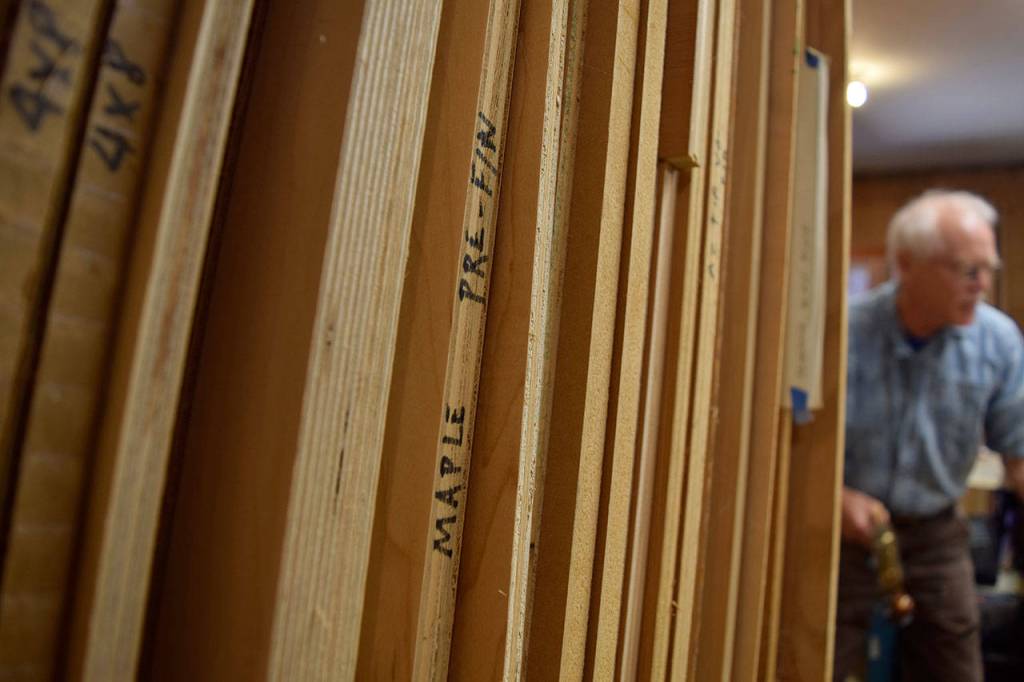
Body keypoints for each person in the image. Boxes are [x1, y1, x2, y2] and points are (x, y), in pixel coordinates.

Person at [835, 190, 1024, 682]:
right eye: (966, 270)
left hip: (936, 534)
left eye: (989, 269)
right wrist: (830, 498)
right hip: (842, 531)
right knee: (817, 656)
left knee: (955, 666)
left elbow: (1018, 454)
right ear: (905, 264)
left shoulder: (998, 341)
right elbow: (788, 445)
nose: (982, 285)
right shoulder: (843, 333)